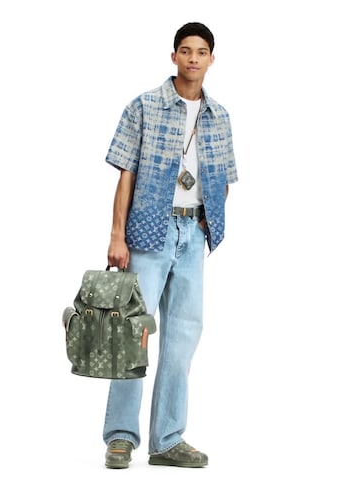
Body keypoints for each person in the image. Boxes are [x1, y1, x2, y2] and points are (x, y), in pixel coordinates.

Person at [103, 21, 238, 469]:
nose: (193, 58)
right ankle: (120, 437)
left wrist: (205, 223)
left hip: (193, 235)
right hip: (148, 231)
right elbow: (126, 174)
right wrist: (117, 235)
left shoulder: (219, 117)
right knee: (133, 334)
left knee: (182, 338)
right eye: (185, 50)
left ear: (212, 59)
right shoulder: (144, 106)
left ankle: (167, 440)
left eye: (201, 51)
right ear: (174, 55)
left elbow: (224, 178)